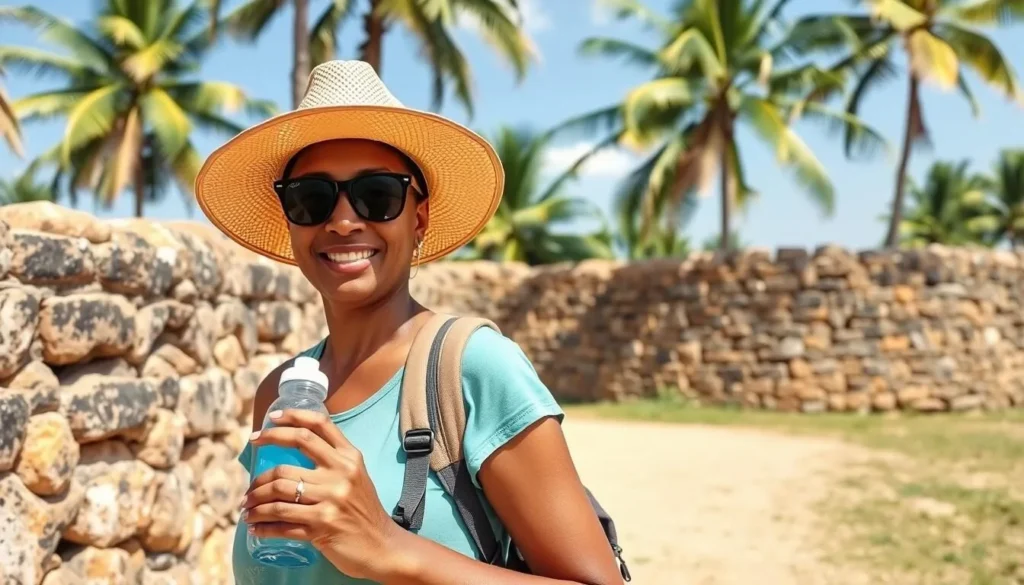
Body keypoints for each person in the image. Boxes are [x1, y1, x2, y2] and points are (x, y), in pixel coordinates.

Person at [194, 60, 624, 585]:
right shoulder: (280, 395)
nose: (345, 220)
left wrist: (388, 546)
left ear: (417, 219)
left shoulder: (472, 369)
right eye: (312, 198)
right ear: (290, 221)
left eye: (378, 195)